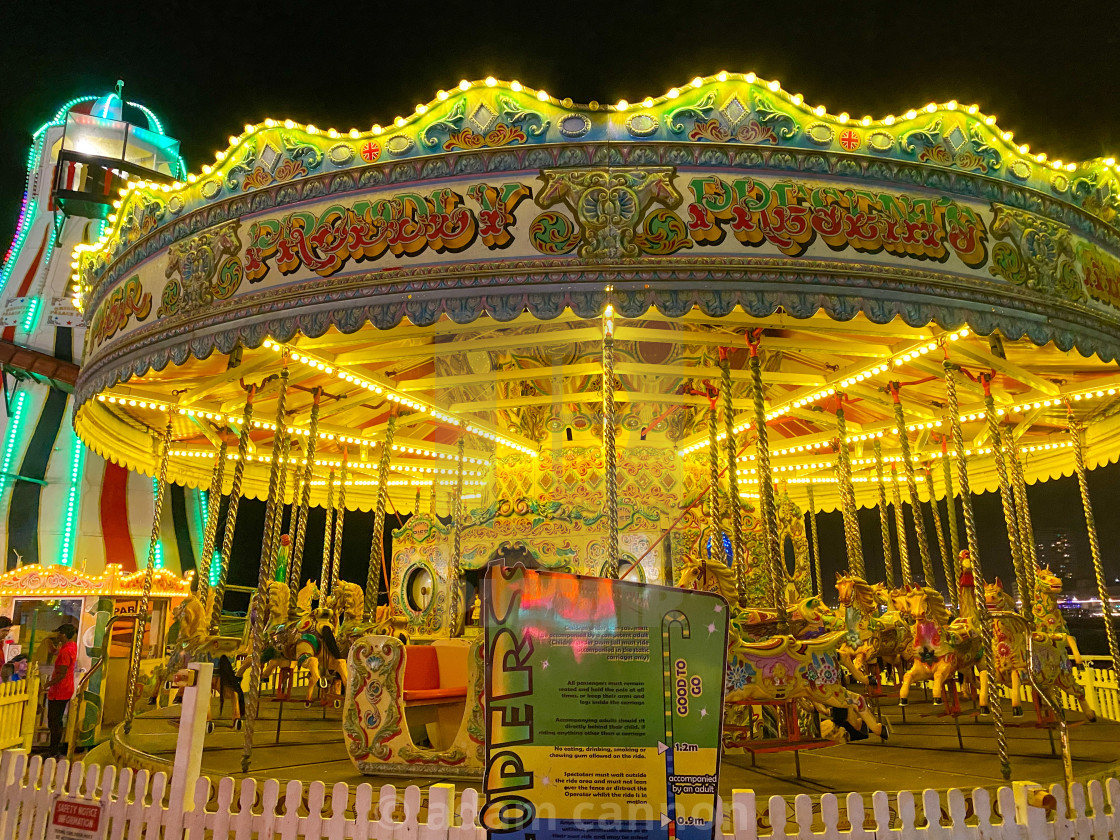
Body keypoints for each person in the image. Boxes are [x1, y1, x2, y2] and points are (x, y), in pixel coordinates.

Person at [42, 623, 78, 758]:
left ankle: (53, 751)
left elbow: (61, 673)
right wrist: (53, 649)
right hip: (67, 688)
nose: (57, 635)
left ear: (63, 634)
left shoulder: (65, 651)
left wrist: (47, 685)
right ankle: (55, 749)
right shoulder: (71, 646)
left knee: (54, 720)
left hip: (59, 690)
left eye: (59, 633)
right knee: (58, 720)